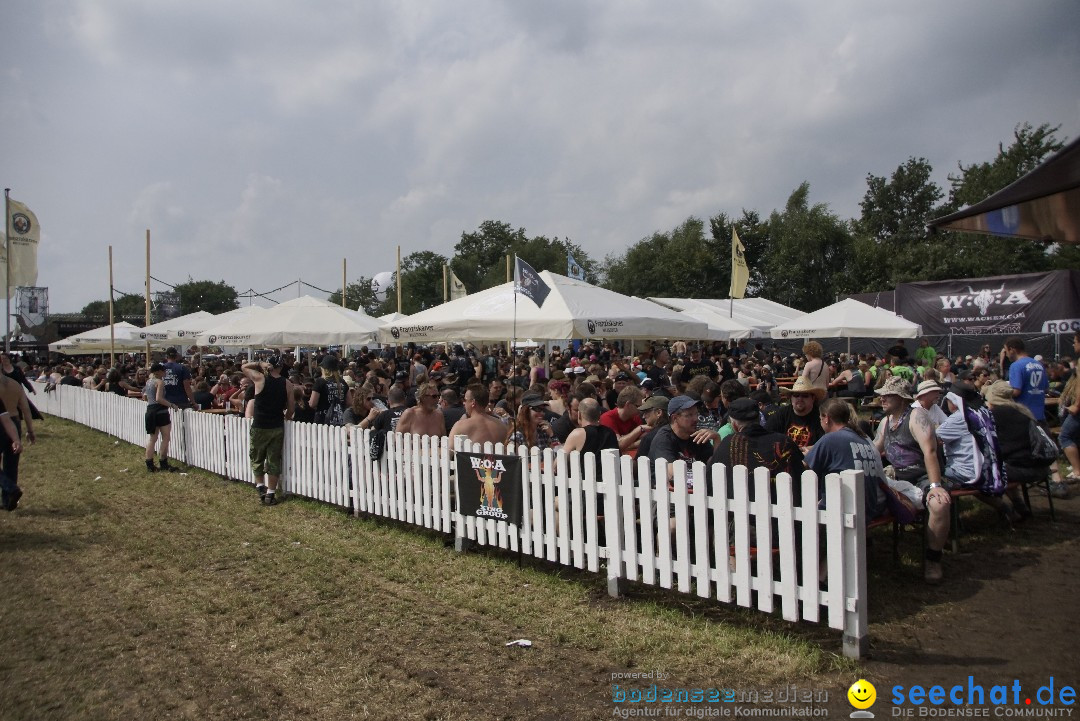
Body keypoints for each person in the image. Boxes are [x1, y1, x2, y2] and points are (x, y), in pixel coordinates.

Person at [872, 376, 950, 584]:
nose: (882, 399)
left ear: (902, 398)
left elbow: (930, 451)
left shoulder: (916, 417)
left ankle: (933, 558)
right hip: (897, 477)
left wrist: (935, 486)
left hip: (924, 476)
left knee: (939, 505)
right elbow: (874, 450)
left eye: (888, 395)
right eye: (882, 395)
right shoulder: (885, 422)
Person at [805, 399, 887, 521]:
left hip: (845, 509)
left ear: (826, 418)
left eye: (820, 418)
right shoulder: (862, 438)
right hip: (869, 508)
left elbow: (805, 468)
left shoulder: (830, 439)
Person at [711, 397, 803, 493]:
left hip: (739, 505)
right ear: (759, 419)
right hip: (783, 504)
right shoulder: (784, 442)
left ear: (733, 425)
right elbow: (801, 478)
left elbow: (711, 481)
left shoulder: (728, 443)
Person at [242, 355, 295, 505]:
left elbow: (243, 367)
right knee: (273, 460)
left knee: (256, 456)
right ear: (281, 367)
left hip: (259, 424)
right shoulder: (288, 384)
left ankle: (260, 487)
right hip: (277, 425)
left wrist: (259, 363)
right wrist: (287, 418)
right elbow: (291, 408)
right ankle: (271, 493)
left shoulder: (259, 378)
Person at [0, 371, 34, 510]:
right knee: (12, 464)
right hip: (13, 422)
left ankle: (10, 490)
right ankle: (8, 501)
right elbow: (26, 409)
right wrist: (30, 430)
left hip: (3, 423)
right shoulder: (15, 385)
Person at [765, 377, 825, 452]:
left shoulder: (821, 417)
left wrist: (802, 450)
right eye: (796, 395)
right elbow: (766, 436)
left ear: (813, 398)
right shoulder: (781, 414)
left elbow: (826, 444)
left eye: (805, 395)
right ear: (791, 398)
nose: (800, 399)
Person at [143, 363, 179, 473]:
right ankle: (163, 462)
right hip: (161, 411)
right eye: (163, 371)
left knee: (152, 439)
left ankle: (149, 464)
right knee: (166, 437)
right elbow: (159, 398)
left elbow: (145, 396)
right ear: (158, 371)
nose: (165, 373)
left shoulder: (148, 382)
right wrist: (171, 405)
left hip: (150, 410)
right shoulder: (160, 382)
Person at [599, 386, 647, 453]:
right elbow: (618, 445)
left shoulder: (635, 417)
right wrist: (639, 429)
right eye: (638, 406)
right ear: (628, 405)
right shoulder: (607, 418)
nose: (640, 410)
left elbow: (645, 439)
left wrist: (628, 444)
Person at [310, 355, 348, 425]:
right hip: (340, 419)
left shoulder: (320, 382)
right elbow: (349, 402)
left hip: (323, 420)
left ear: (324, 369)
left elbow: (312, 404)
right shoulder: (343, 382)